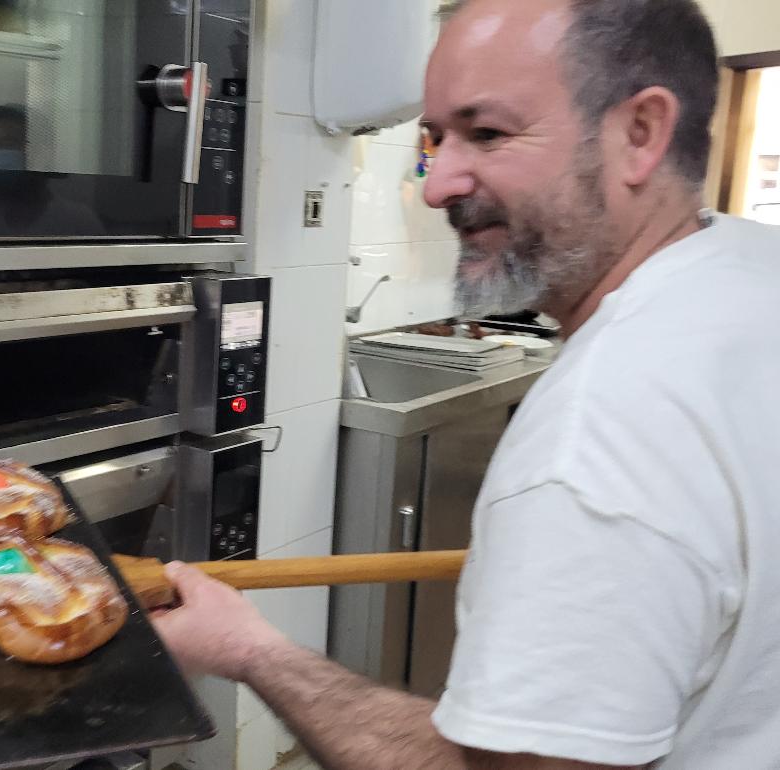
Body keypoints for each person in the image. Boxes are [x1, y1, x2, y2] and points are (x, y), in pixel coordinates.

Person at [151, 0, 780, 767]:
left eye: (487, 133)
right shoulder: (750, 269)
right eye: (435, 137)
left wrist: (249, 650)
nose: (437, 184)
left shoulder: (600, 435)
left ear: (638, 133)